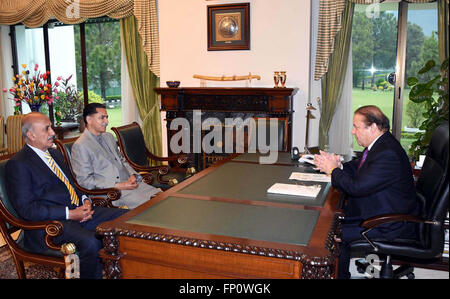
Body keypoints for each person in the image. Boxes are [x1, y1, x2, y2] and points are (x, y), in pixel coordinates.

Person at [5, 112, 127, 279]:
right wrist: (70, 214)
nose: (53, 133)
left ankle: (126, 272)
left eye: (51, 127)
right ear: (31, 135)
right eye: (46, 129)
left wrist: (85, 201)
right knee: (91, 242)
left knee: (126, 219)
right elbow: (27, 209)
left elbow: (72, 185)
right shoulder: (19, 164)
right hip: (50, 226)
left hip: (78, 212)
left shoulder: (54, 154)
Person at [314, 105, 420, 279]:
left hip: (389, 224)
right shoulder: (381, 145)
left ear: (372, 127)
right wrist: (338, 165)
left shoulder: (387, 153)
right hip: (381, 211)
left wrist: (333, 171)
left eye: (356, 127)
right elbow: (360, 168)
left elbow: (357, 187)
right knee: (333, 221)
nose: (353, 132)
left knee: (330, 234)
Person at [71, 103, 160, 209]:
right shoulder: (81, 146)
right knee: (154, 206)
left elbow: (122, 161)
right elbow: (85, 181)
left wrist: (132, 176)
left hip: (130, 185)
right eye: (102, 118)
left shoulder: (108, 137)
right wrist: (118, 185)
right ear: (89, 119)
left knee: (162, 197)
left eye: (107, 117)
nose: (106, 122)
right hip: (111, 193)